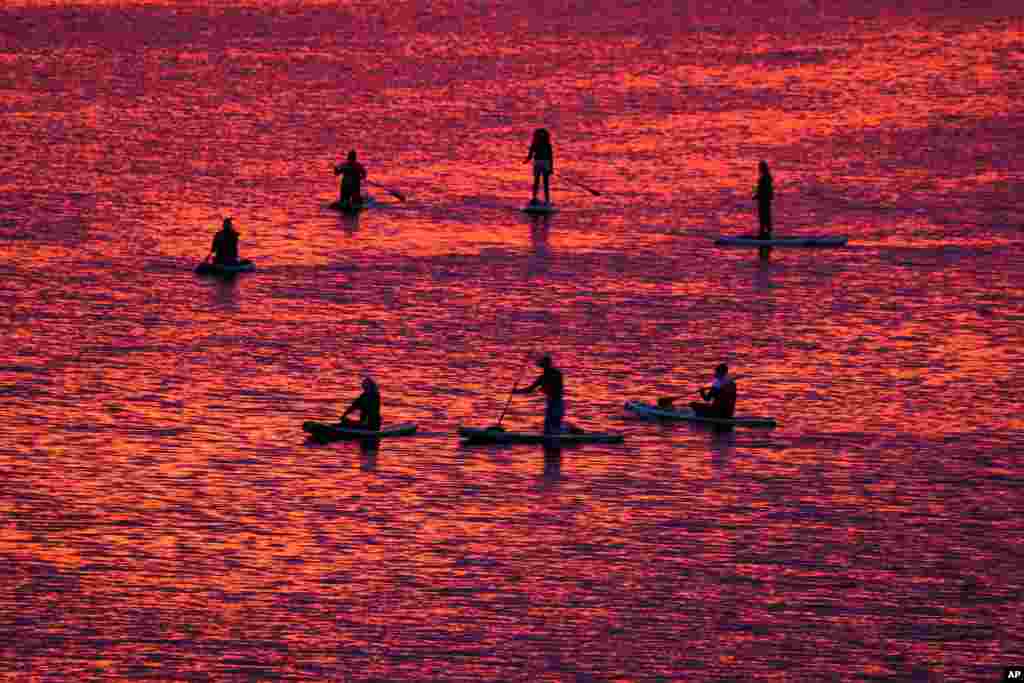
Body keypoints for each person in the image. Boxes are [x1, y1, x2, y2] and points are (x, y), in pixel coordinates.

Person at [513, 354, 564, 434]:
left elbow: (557, 388)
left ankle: (567, 432)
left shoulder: (556, 374)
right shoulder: (542, 378)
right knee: (548, 429)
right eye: (543, 366)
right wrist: (516, 391)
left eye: (544, 365)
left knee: (553, 428)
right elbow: (530, 389)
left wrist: (545, 389)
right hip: (550, 403)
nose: (543, 368)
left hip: (557, 403)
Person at [524, 128, 554, 205]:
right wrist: (551, 168)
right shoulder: (543, 144)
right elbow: (530, 155)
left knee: (541, 182)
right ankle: (538, 198)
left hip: (542, 163)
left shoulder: (542, 144)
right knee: (540, 181)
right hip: (541, 163)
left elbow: (550, 157)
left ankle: (543, 199)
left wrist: (551, 168)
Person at [753, 160, 774, 239]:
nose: (758, 169)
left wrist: (758, 195)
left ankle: (764, 235)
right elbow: (763, 189)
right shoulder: (766, 177)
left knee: (764, 217)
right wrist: (756, 195)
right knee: (765, 216)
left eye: (760, 167)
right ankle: (765, 234)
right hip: (764, 200)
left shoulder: (765, 178)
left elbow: (765, 190)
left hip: (764, 200)